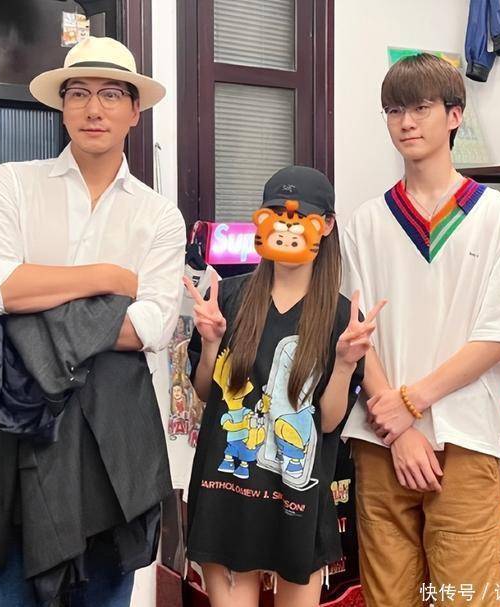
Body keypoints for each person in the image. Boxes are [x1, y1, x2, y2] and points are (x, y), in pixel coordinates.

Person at [0, 36, 185, 606]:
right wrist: (108, 277)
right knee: (9, 582)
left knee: (104, 589)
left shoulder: (159, 215)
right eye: (78, 93)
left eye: (111, 94)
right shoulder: (11, 183)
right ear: (62, 107)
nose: (93, 108)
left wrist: (35, 299)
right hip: (21, 422)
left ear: (134, 111)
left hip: (115, 436)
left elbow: (151, 326)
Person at [341, 53, 500, 606]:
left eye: (421, 108)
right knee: (389, 598)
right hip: (381, 442)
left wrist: (412, 403)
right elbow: (357, 334)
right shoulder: (365, 222)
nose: (406, 122)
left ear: (455, 115)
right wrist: (399, 428)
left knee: (468, 596)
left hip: (464, 438)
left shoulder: (495, 215)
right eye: (394, 111)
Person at [184, 165, 385, 607]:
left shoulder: (340, 317)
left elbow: (327, 423)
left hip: (298, 501)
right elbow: (206, 393)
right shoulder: (229, 298)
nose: (287, 225)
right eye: (276, 213)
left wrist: (345, 363)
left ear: (326, 225)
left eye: (301, 216)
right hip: (227, 495)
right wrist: (212, 342)